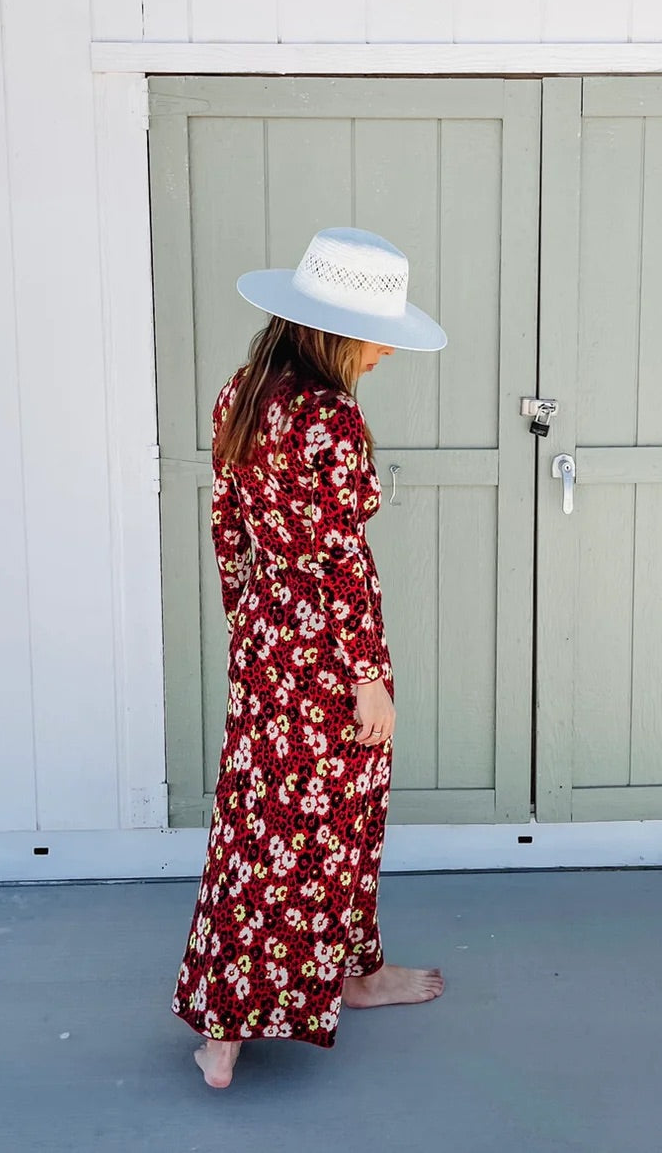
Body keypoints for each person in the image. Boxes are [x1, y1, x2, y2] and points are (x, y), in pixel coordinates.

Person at [171, 226, 449, 1088]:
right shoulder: (329, 414)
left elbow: (227, 525)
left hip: (266, 640)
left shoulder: (240, 393)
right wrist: (364, 673)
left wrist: (250, 628)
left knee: (261, 825)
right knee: (326, 830)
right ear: (335, 331)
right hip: (330, 649)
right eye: (377, 335)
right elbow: (338, 557)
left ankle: (269, 1007)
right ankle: (300, 996)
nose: (385, 352)